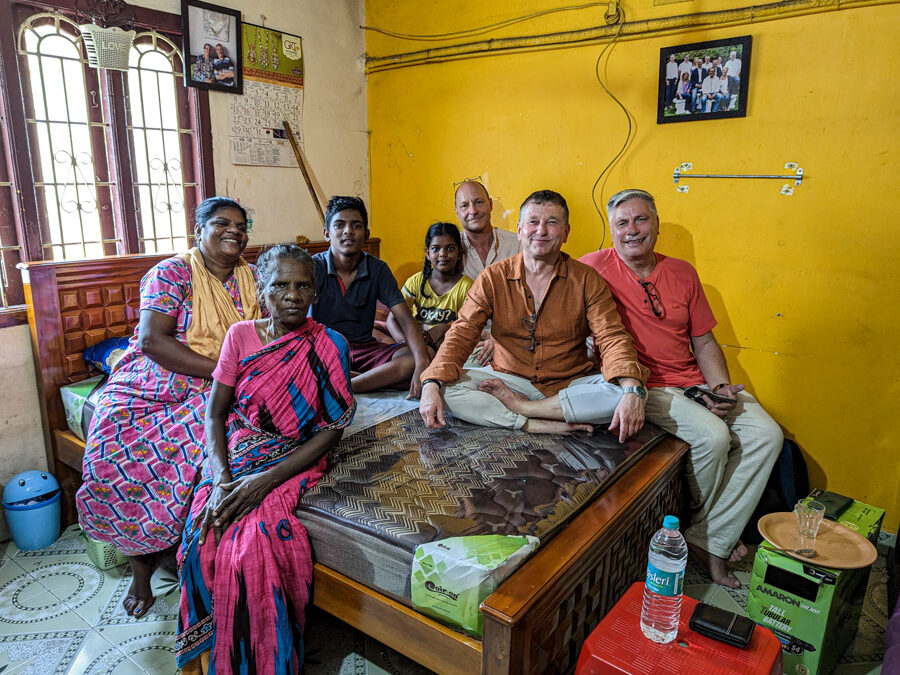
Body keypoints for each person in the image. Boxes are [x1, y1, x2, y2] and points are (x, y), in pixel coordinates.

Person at [580, 189, 782, 588]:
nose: (632, 230)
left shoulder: (683, 272)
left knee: (767, 435)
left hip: (694, 380)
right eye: (622, 223)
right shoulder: (591, 269)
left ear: (656, 224)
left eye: (641, 220)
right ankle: (716, 543)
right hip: (641, 385)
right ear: (611, 229)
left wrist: (720, 387)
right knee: (712, 437)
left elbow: (704, 341)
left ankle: (709, 536)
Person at [77, 197, 260, 617]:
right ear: (198, 230)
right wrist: (224, 371)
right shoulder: (171, 273)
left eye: (241, 224)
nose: (235, 230)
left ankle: (197, 559)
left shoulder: (253, 276)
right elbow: (151, 341)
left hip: (232, 380)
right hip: (159, 383)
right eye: (222, 223)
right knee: (123, 449)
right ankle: (141, 573)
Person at [176, 245, 355, 673]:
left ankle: (261, 660)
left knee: (254, 548)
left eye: (302, 285)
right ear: (261, 288)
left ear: (316, 291)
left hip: (294, 458)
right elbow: (215, 413)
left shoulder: (331, 345)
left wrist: (265, 482)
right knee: (202, 537)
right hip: (239, 453)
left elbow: (333, 428)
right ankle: (209, 659)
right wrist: (221, 478)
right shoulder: (240, 336)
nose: (291, 295)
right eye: (279, 285)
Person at [419, 189, 649, 439]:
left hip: (569, 384)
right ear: (519, 230)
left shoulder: (586, 279)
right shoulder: (493, 277)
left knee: (623, 393)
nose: (541, 231)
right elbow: (462, 332)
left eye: (551, 222)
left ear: (566, 232)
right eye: (533, 222)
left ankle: (523, 409)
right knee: (446, 388)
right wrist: (431, 382)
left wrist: (632, 391)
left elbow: (611, 336)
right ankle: (534, 423)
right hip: (508, 380)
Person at [312, 195, 430, 397]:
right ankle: (373, 380)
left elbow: (404, 318)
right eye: (340, 225)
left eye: (356, 225)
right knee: (300, 363)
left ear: (366, 235)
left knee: (423, 356)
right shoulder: (313, 267)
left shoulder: (377, 268)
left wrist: (422, 364)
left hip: (365, 349)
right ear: (326, 234)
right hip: (325, 351)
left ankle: (348, 383)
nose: (348, 231)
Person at [454, 179, 520, 366]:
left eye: (479, 202)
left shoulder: (518, 245)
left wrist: (500, 339)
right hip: (471, 340)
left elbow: (534, 301)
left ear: (490, 204)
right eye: (465, 205)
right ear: (457, 212)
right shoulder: (448, 252)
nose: (473, 211)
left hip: (515, 338)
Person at [386, 222, 474, 350]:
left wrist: (445, 328)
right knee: (374, 329)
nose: (443, 254)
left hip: (448, 344)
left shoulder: (466, 286)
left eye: (450, 248)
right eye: (436, 248)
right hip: (416, 342)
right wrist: (408, 344)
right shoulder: (416, 281)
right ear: (427, 253)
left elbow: (468, 327)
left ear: (460, 253)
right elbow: (392, 320)